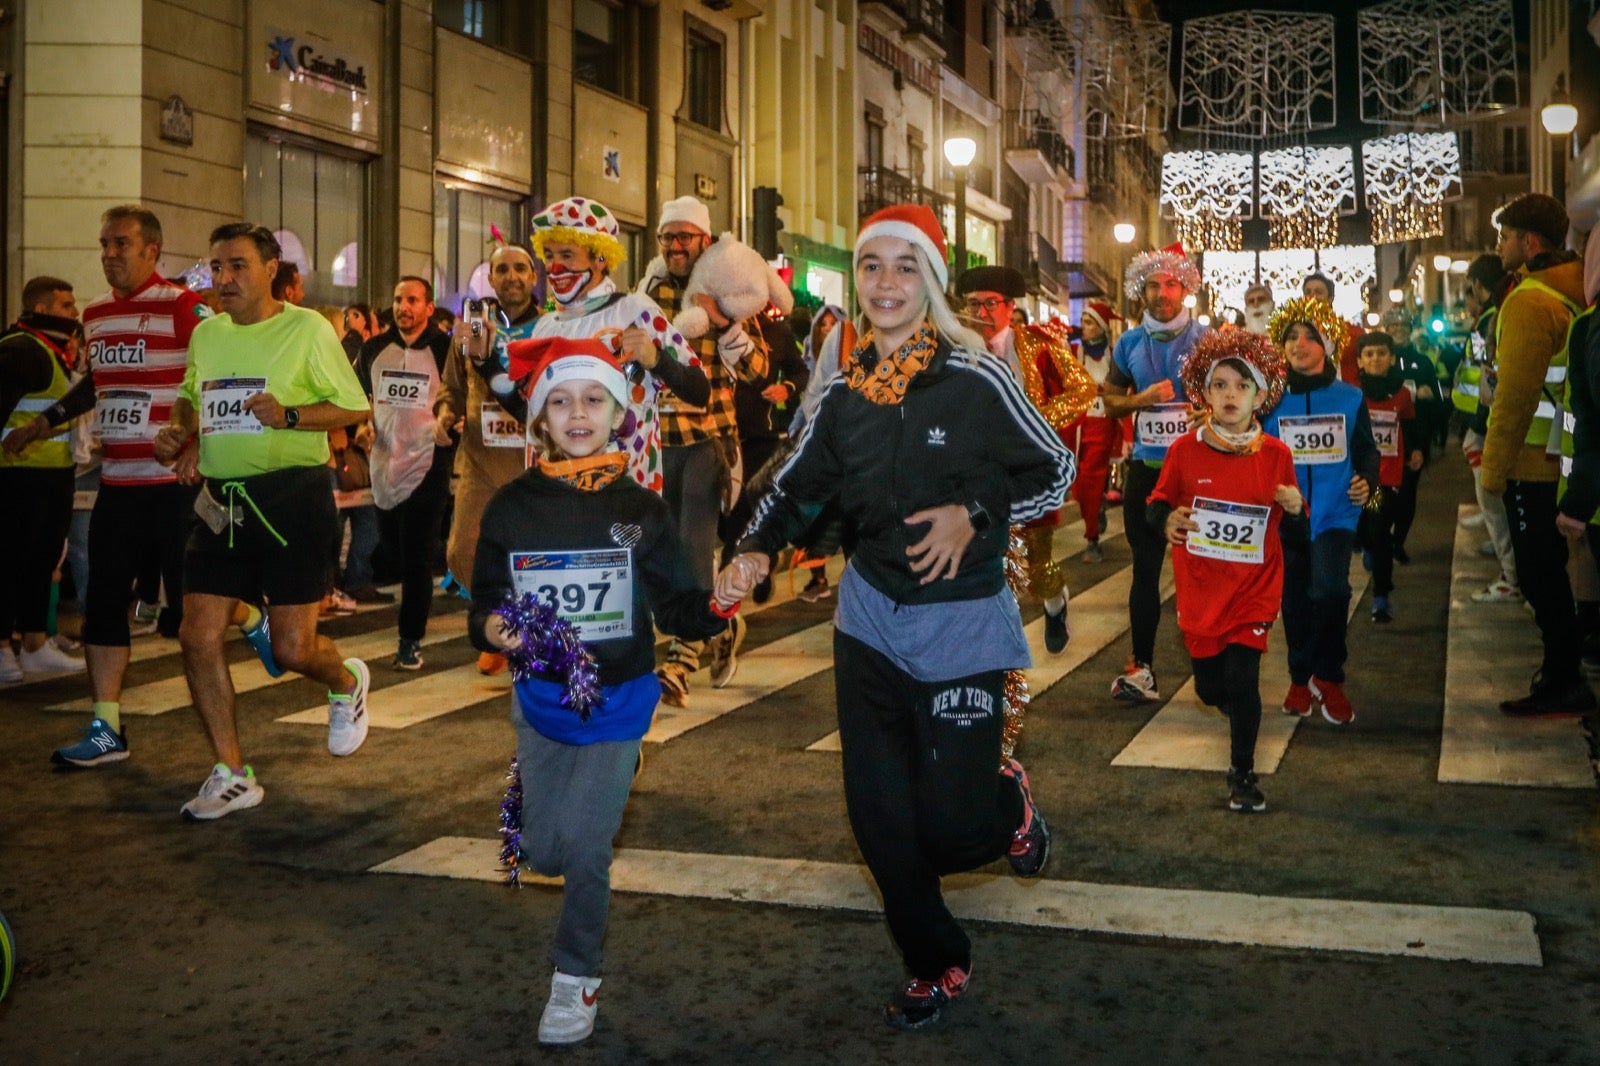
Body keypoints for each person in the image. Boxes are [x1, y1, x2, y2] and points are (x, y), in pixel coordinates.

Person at [721, 205, 1072, 1030]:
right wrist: (754, 550)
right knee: (879, 820)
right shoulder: (844, 394)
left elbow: (1054, 472)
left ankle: (1007, 806)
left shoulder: (977, 376)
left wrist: (975, 517)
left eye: (905, 266)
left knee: (953, 833)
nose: (886, 283)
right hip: (871, 620)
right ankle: (936, 959)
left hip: (960, 624)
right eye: (871, 266)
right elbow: (797, 484)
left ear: (933, 283)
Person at [469, 335, 740, 1046]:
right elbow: (486, 602)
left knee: (585, 848)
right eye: (559, 401)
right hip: (540, 703)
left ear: (618, 412)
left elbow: (678, 606)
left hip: (620, 701)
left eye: (593, 399)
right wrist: (494, 628)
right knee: (546, 854)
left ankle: (575, 975)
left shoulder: (643, 510)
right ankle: (561, 823)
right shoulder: (511, 508)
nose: (577, 412)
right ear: (539, 420)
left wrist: (723, 601)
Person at [152, 222, 373, 819]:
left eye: (237, 266)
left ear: (271, 268)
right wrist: (183, 432)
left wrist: (291, 413)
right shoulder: (208, 334)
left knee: (294, 649)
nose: (223, 279)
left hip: (291, 500)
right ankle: (231, 771)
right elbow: (193, 394)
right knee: (196, 634)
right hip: (221, 502)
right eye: (216, 267)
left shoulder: (307, 329)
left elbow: (354, 405)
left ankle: (346, 682)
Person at [1147, 330, 1303, 813]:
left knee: (1244, 680)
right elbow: (1156, 503)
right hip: (1200, 590)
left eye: (1241, 385)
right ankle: (1236, 711)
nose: (1230, 394)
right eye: (1220, 385)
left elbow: (1295, 530)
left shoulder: (1277, 455)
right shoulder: (1184, 451)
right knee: (1212, 687)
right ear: (1205, 393)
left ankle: (1243, 772)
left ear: (1261, 395)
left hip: (1254, 590)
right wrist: (1167, 518)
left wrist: (1296, 508)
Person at [635, 196, 775, 707]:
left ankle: (681, 659)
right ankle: (721, 627)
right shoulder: (645, 295)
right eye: (668, 237)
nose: (675, 246)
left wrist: (724, 324)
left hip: (710, 440)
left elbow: (760, 370)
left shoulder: (723, 292)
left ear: (704, 241)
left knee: (695, 542)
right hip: (655, 444)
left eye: (685, 237)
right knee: (663, 548)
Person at [1481, 193, 1595, 717]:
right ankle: (1565, 667)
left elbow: (1516, 395)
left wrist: (1494, 468)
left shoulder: (1529, 300)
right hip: (1566, 459)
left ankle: (1562, 675)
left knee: (1538, 573)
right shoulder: (1574, 289)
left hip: (1531, 462)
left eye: (1505, 236)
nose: (1500, 245)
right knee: (1560, 570)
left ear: (1529, 242)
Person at [957, 264, 1096, 652]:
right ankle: (991, 642)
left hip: (1027, 473)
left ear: (1009, 306)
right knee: (980, 559)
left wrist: (1034, 421)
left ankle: (1055, 605)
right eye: (973, 304)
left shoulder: (1038, 344)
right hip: (974, 475)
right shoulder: (953, 348)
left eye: (990, 304)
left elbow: (1083, 389)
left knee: (1039, 565)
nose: (981, 313)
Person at [1101, 243, 1210, 700]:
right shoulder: (1128, 343)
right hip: (1147, 471)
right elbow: (1109, 402)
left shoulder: (1208, 340)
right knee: (1145, 571)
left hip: (1200, 471)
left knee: (1205, 571)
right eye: (1153, 284)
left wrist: (1210, 412)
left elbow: (1242, 395)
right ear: (1140, 292)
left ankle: (1213, 663)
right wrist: (1138, 402)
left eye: (1170, 284)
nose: (1162, 292)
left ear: (1185, 289)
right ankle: (1141, 667)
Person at [1262, 297, 1378, 725]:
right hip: (1288, 516)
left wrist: (1369, 480)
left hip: (1334, 513)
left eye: (1311, 336)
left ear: (1328, 345)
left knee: (1330, 592)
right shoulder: (1271, 399)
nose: (1300, 344)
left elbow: (1367, 450)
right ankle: (1299, 677)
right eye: (1292, 336)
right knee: (1293, 601)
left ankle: (1328, 676)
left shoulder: (1350, 397)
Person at [438, 242, 542, 673]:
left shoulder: (549, 327)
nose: (512, 277)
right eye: (502, 269)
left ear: (533, 278)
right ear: (491, 277)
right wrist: (445, 413)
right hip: (479, 465)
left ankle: (514, 633)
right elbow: (452, 387)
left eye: (521, 268)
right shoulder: (473, 328)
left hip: (534, 468)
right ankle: (496, 621)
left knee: (534, 560)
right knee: (464, 552)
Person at [355, 276, 455, 669]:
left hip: (430, 459)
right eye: (398, 299)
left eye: (412, 300)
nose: (403, 307)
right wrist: (363, 426)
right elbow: (358, 397)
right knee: (393, 550)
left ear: (429, 307)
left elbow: (459, 395)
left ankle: (409, 640)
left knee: (416, 555)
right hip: (384, 461)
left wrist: (449, 420)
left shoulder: (445, 349)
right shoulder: (373, 349)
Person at [0, 277, 84, 682]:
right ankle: (2, 649)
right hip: (17, 474)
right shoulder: (19, 348)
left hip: (53, 472)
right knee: (10, 562)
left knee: (42, 561)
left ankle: (35, 643)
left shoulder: (54, 351)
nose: (74, 314)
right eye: (67, 306)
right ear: (45, 308)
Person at [1459, 254, 1521, 603]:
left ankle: (1511, 576)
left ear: (1479, 286)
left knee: (1494, 503)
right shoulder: (1493, 315)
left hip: (1486, 422)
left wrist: (1479, 422)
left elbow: (1487, 373)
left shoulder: (1490, 320)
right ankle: (1511, 571)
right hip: (1484, 420)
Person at [1351, 332, 1423, 623]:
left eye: (1381, 353)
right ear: (1360, 361)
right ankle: (1376, 568)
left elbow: (1410, 424)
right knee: (1370, 532)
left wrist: (1416, 450)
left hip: (1389, 477)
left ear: (1392, 358)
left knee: (1379, 531)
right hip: (1362, 477)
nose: (1375, 359)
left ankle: (1381, 595)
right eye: (1369, 354)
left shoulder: (1403, 394)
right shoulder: (1353, 395)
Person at [1070, 300, 1128, 563]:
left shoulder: (1115, 355)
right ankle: (1097, 507)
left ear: (1102, 327)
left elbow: (1126, 393)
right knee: (1079, 486)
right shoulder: (1072, 351)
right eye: (1083, 322)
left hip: (1103, 424)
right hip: (1077, 426)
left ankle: (1092, 539)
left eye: (1090, 322)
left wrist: (1128, 433)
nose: (1085, 327)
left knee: (1091, 479)